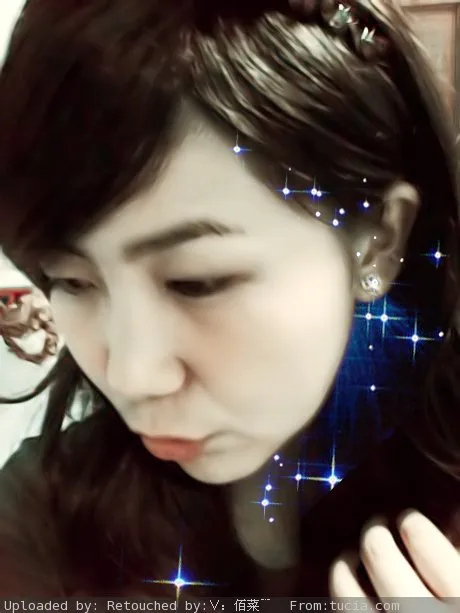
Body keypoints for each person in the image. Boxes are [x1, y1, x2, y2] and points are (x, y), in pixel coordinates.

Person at [0, 0, 459, 598]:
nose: (133, 375)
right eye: (72, 281)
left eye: (197, 281)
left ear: (377, 242)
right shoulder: (45, 513)